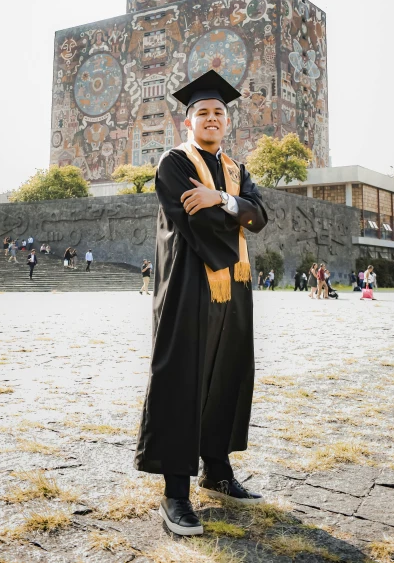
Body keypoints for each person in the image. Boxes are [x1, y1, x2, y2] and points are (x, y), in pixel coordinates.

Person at [135, 70, 268, 536]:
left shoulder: (236, 170)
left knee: (227, 373)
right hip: (188, 286)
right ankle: (175, 493)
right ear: (186, 123)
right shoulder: (174, 164)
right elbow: (200, 226)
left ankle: (217, 470)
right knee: (183, 378)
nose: (211, 118)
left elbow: (260, 215)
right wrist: (237, 210)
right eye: (202, 113)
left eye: (218, 113)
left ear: (226, 123)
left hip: (234, 288)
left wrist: (221, 198)